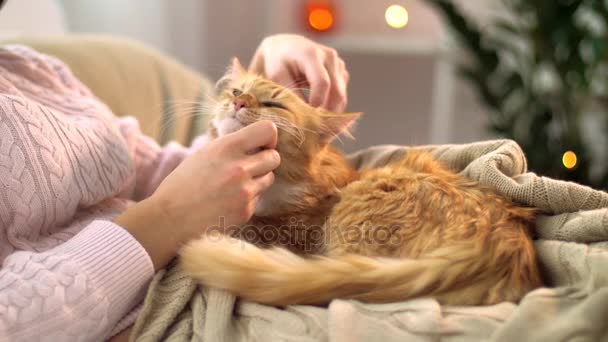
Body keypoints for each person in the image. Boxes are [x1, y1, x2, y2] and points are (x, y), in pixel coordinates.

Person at [0, 33, 349, 341]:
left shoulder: (34, 69)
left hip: (218, 261)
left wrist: (263, 80)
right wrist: (166, 217)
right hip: (166, 312)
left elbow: (151, 169)